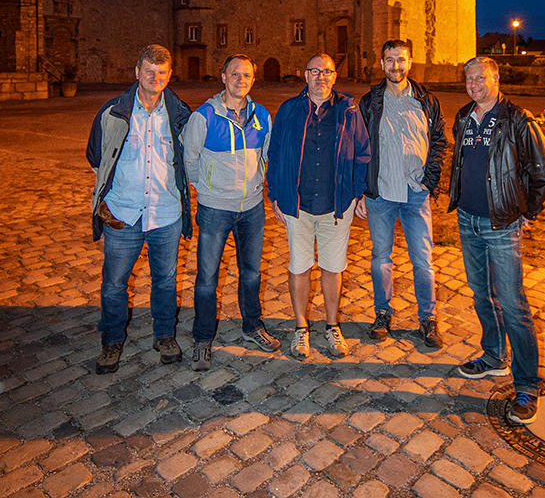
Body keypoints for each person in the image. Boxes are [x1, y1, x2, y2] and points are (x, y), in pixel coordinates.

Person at [447, 56, 545, 425]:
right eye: (469, 78)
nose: (474, 83)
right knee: (482, 294)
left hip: (501, 223)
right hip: (467, 218)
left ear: (496, 78)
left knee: (513, 303)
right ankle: (493, 356)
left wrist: (529, 210)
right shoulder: (464, 116)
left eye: (481, 77)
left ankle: (527, 384)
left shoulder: (517, 118)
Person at [87, 45, 192, 375]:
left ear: (169, 76)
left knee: (165, 280)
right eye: (148, 71)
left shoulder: (180, 114)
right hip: (123, 214)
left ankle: (164, 335)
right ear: (136, 72)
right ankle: (112, 340)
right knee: (114, 283)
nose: (154, 77)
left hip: (165, 213)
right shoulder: (113, 111)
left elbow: (189, 158)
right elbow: (95, 157)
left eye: (161, 73)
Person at [266, 53, 370, 360]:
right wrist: (275, 194)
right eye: (315, 71)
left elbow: (363, 153)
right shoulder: (289, 110)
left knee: (333, 266)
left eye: (327, 71)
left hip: (336, 203)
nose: (320, 77)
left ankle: (332, 325)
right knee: (299, 265)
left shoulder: (349, 110)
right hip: (297, 204)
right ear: (305, 75)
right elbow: (275, 152)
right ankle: (301, 328)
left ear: (335, 76)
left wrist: (358, 192)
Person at [184, 54, 280, 371]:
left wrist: (259, 186)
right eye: (235, 74)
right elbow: (191, 160)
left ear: (253, 80)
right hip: (214, 209)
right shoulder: (205, 116)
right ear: (223, 77)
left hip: (252, 208)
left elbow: (268, 156)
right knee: (207, 279)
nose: (241, 80)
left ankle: (252, 325)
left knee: (251, 274)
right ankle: (202, 339)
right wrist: (208, 188)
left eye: (247, 75)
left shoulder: (261, 115)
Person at [359, 40, 447, 348]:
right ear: (381, 64)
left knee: (423, 260)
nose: (396, 66)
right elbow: (361, 146)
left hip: (415, 194)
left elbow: (439, 141)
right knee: (380, 257)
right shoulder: (370, 101)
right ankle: (382, 313)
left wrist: (429, 178)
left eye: (401, 60)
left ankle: (428, 318)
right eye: (390, 60)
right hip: (381, 192)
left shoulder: (426, 100)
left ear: (409, 63)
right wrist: (361, 190)